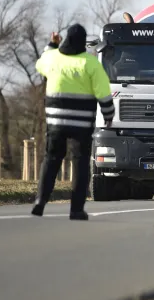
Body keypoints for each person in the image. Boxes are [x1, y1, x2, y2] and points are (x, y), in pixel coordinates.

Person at [31, 24, 114, 220]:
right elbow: (104, 94)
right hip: (82, 124)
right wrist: (108, 115)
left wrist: (52, 44)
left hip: (56, 121)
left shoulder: (53, 59)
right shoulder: (91, 63)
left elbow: (40, 64)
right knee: (80, 163)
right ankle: (76, 209)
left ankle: (40, 201)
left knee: (51, 159)